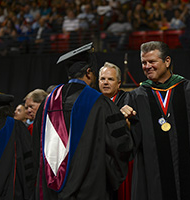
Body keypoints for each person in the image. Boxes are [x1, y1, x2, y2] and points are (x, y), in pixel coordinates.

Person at [31, 42, 133, 200]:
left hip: (50, 189)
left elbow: (36, 146)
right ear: (89, 72)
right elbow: (119, 147)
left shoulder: (47, 103)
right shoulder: (100, 103)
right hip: (91, 188)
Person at [120, 41, 190, 200]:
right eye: (144, 63)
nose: (147, 66)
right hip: (153, 181)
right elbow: (131, 146)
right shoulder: (136, 97)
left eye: (152, 61)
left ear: (167, 61)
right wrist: (126, 124)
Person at [98, 62, 133, 200]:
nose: (106, 82)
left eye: (110, 79)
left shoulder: (128, 100)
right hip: (100, 162)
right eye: (102, 79)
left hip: (122, 162)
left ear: (119, 83)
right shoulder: (93, 102)